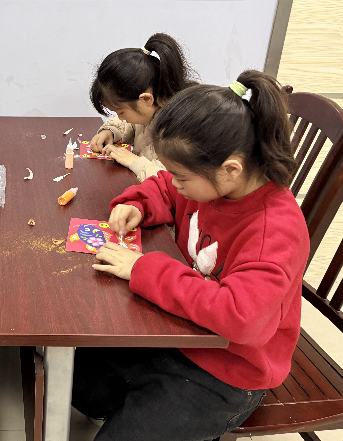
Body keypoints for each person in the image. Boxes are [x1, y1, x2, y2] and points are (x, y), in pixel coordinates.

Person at [72, 70, 308, 441]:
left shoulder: (274, 230)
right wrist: (139, 203)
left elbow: (243, 318)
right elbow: (166, 188)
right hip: (178, 334)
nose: (176, 182)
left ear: (230, 169)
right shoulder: (212, 183)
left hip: (228, 370)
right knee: (75, 374)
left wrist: (145, 269)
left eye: (182, 176)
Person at [88, 33, 198, 183]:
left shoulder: (181, 128)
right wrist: (111, 132)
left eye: (121, 112)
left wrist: (134, 162)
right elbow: (134, 126)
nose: (120, 117)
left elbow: (175, 182)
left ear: (146, 99)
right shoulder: (151, 108)